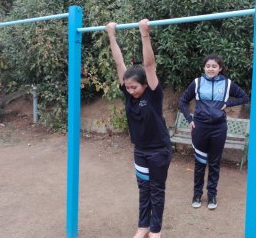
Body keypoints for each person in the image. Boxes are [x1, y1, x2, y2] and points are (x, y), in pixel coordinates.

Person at [106, 20, 171, 238]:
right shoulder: (128, 92)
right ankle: (143, 226)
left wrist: (145, 34)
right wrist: (111, 36)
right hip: (140, 150)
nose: (131, 90)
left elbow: (149, 65)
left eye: (134, 86)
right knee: (143, 189)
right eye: (128, 86)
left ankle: (155, 230)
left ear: (145, 84)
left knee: (156, 190)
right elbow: (119, 64)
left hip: (159, 150)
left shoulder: (153, 94)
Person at [178, 53, 249, 210]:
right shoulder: (197, 83)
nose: (210, 69)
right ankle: (197, 194)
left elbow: (244, 97)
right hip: (200, 128)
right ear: (204, 67)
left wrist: (228, 103)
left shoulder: (227, 83)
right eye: (208, 66)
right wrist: (190, 120)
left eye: (214, 66)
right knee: (200, 162)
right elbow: (182, 102)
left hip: (219, 128)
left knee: (214, 163)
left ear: (220, 68)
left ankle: (211, 195)